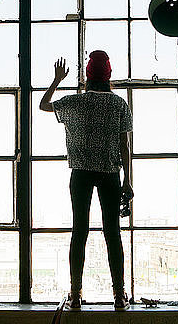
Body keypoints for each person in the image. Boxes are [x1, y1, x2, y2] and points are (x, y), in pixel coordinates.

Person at [39, 50, 133, 310]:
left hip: (80, 173)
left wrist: (57, 79)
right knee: (112, 233)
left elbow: (44, 105)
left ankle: (76, 294)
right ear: (109, 76)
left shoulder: (75, 102)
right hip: (110, 173)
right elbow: (124, 145)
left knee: (79, 231)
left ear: (87, 77)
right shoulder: (119, 104)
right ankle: (118, 295)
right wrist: (127, 180)